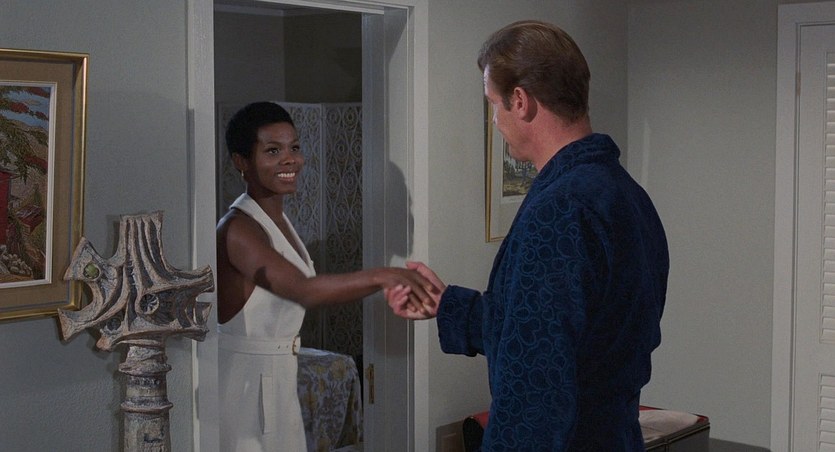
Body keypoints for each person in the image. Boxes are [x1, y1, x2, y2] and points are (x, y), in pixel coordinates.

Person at [387, 21, 669, 451]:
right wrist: (449, 305)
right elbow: (558, 330)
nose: (495, 121)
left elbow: (536, 390)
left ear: (520, 101)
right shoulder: (625, 194)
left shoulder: (561, 209)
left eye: (493, 104)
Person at [216, 101, 433, 452]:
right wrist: (384, 275)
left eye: (294, 148)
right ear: (241, 162)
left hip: (278, 380)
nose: (290, 160)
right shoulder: (238, 230)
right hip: (246, 387)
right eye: (273, 151)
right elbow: (304, 290)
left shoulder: (278, 222)